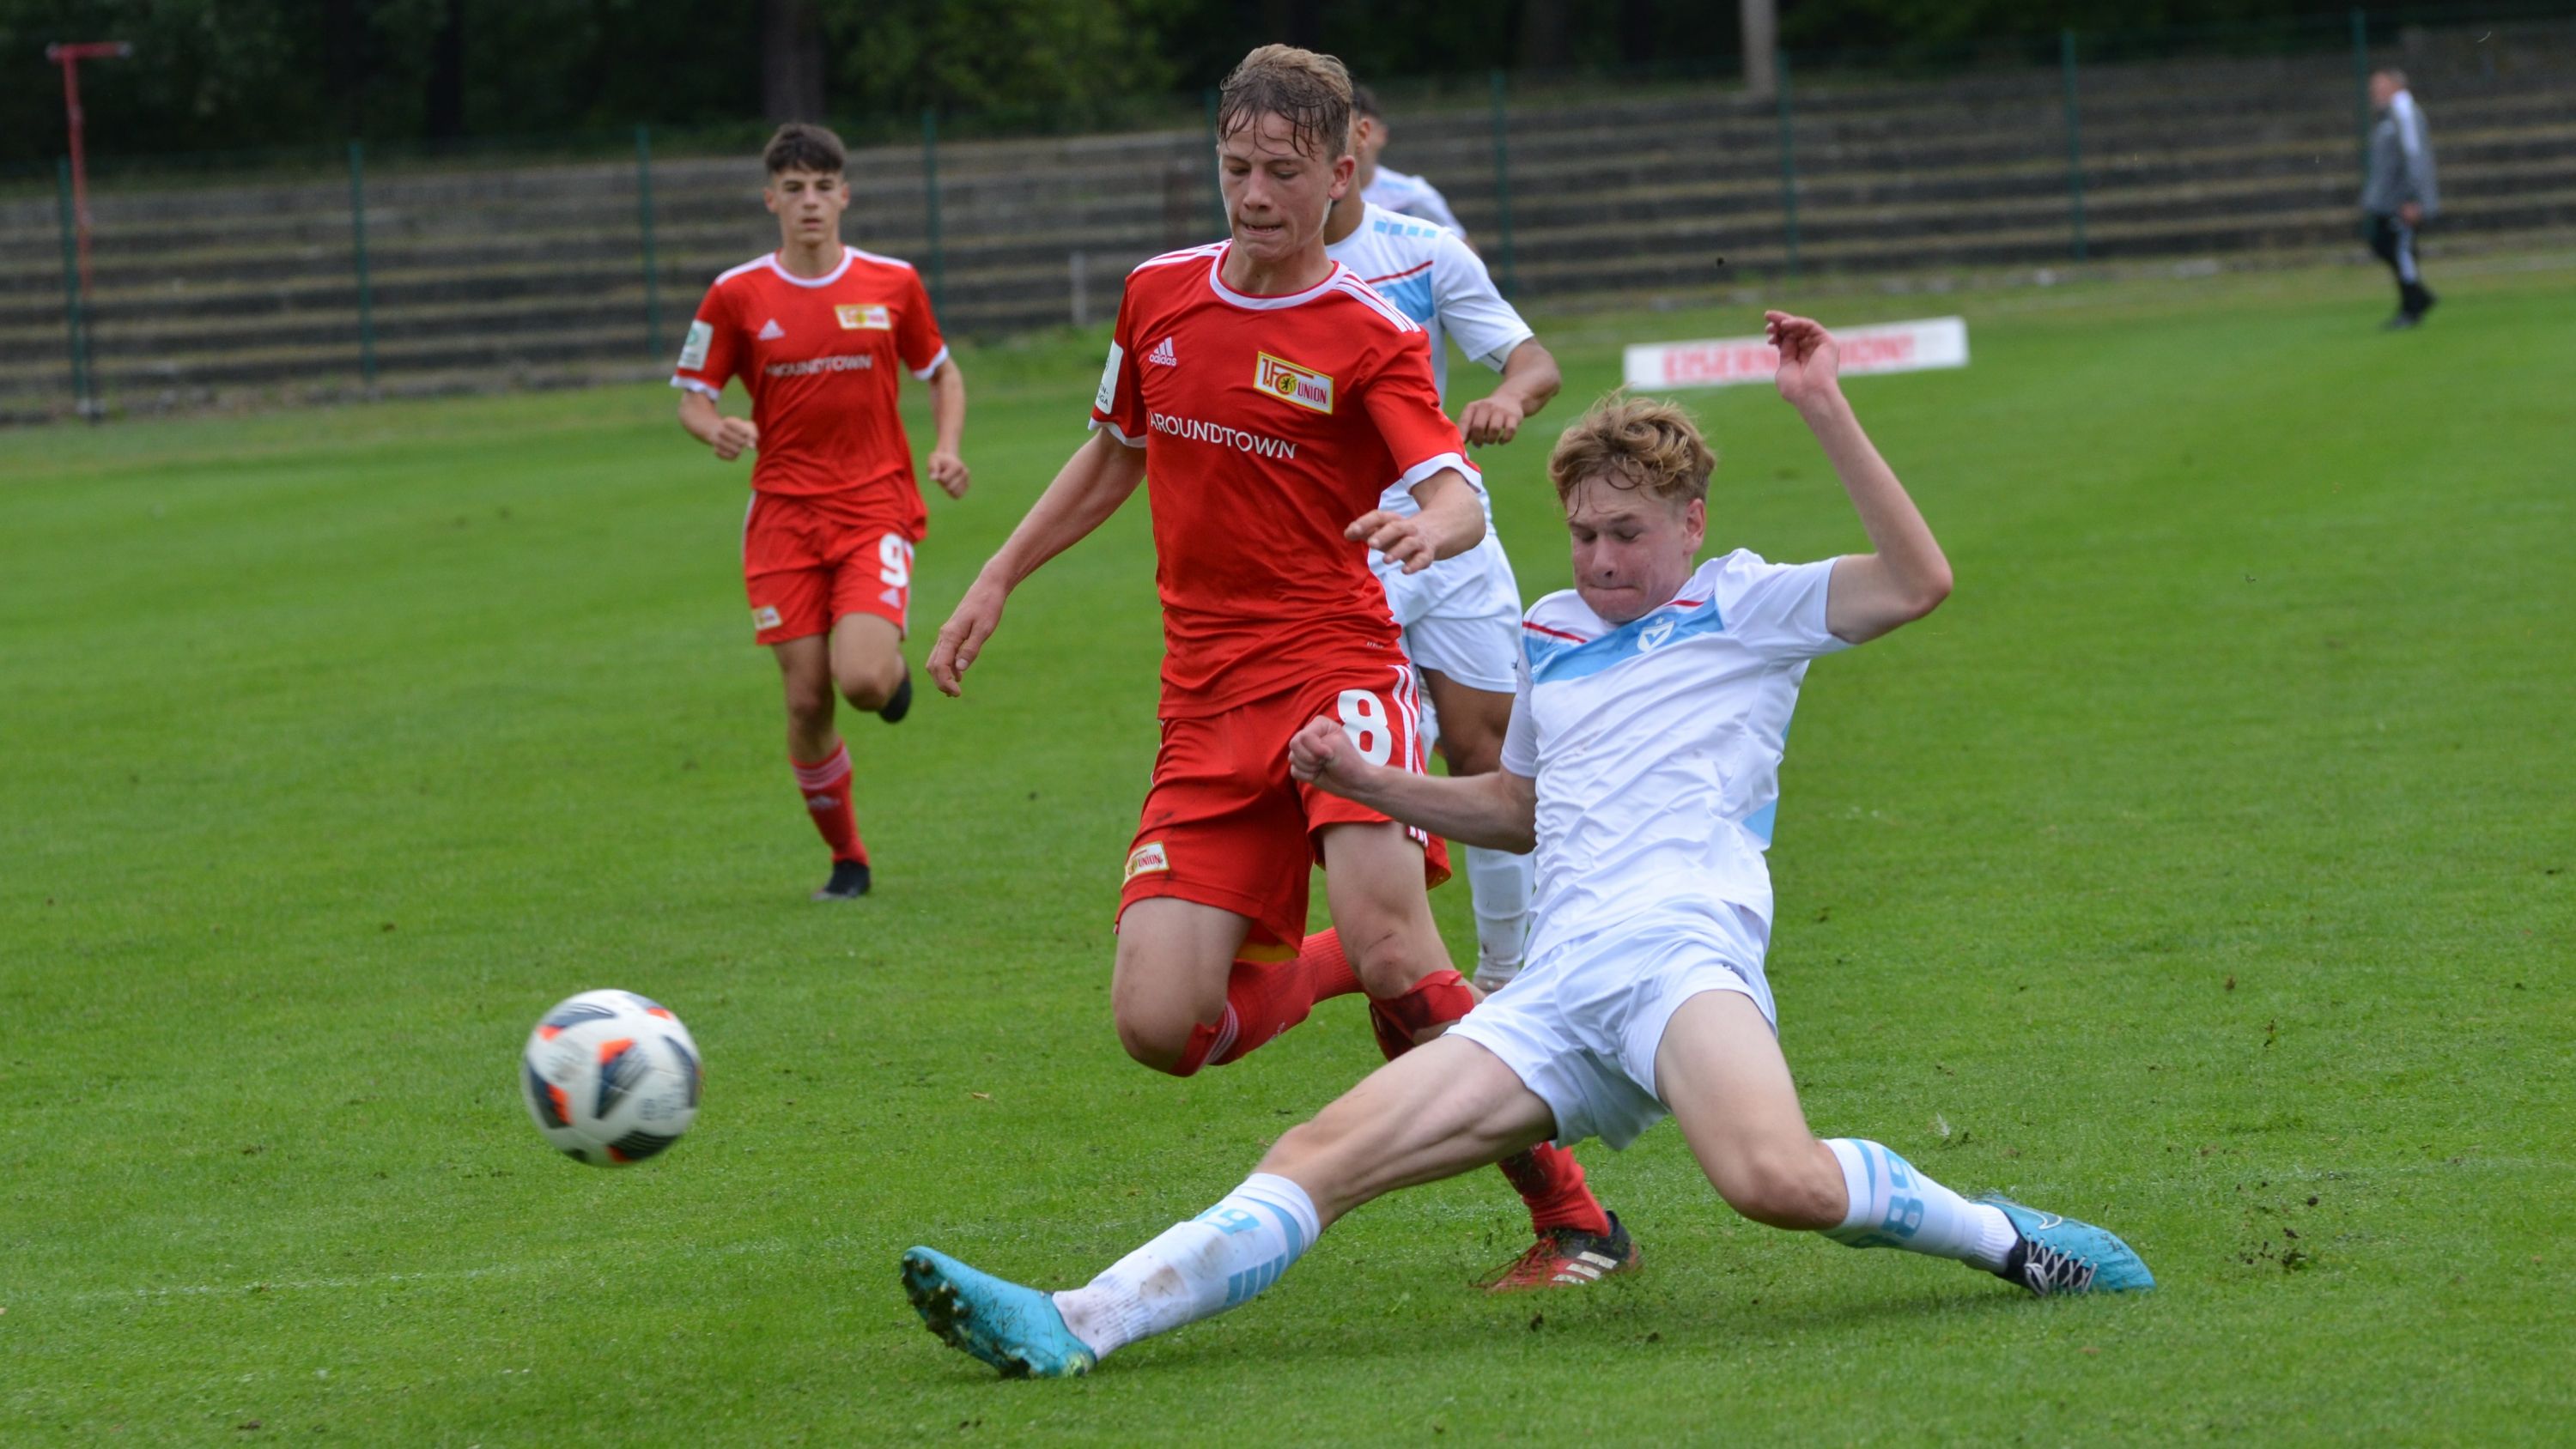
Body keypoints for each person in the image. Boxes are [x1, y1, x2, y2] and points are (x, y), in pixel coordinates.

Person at [900, 314, 2155, 1379]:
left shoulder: (1750, 603)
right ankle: (1077, 1323)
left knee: (1773, 1181)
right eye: (1586, 534)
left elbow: (1919, 578)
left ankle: (2006, 1239)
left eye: (1629, 534)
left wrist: (1822, 405)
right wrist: (1365, 778)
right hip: (1558, 988)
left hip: (1679, 956)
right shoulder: (1550, 632)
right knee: (1318, 1156)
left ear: (1690, 521)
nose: (1604, 560)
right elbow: (1517, 807)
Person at [927, 45, 1631, 1290]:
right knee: (1164, 1031)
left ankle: (1577, 1221)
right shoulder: (1158, 296)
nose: (1253, 195)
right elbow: (1112, 453)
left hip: (1336, 671)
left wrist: (1433, 525)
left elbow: (1454, 487)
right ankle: (1325, 966)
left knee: (1399, 959)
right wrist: (995, 578)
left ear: (1341, 167)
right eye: (1236, 166)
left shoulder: (1367, 330)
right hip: (1202, 700)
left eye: (1283, 171)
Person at [671, 123, 969, 900]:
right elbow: (693, 395)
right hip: (781, 519)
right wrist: (716, 427)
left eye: (822, 186)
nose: (809, 202)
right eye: (793, 188)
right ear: (772, 199)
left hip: (874, 506)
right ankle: (849, 860)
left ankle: (891, 676)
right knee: (807, 699)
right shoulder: (737, 294)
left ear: (845, 195)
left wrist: (946, 447)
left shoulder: (892, 282)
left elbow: (941, 372)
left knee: (865, 682)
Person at [1323, 140, 1560, 989]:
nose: (1268, 189)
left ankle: (1506, 979)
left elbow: (1534, 360)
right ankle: (1384, 967)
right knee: (1344, 775)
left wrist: (1508, 397)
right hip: (1333, 542)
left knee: (1486, 753)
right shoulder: (1248, 273)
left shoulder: (1422, 249)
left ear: (1346, 162)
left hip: (1449, 527)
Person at [2362, 68, 2440, 330]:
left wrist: (2413, 199)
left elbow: (2415, 157)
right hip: (2390, 200)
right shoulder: (2390, 115)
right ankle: (2417, 297)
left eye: (2380, 87)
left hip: (2403, 201)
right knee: (2386, 245)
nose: (2375, 93)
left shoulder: (2404, 112)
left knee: (2400, 250)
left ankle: (2413, 305)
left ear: (2396, 87)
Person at [1353, 86, 1466, 238]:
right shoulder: (1317, 202)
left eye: (1365, 131)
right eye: (1350, 132)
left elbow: (1460, 247)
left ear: (1382, 135)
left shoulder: (1413, 195)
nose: (1359, 142)